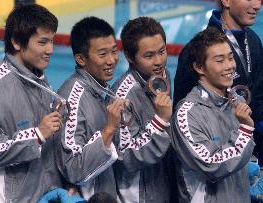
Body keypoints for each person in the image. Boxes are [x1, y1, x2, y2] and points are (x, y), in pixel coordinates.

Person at [0, 4, 64, 203]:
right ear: (17, 42)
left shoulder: (40, 81)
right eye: (43, 42)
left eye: (52, 41)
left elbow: (46, 154)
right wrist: (36, 135)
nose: (50, 50)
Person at [171, 27, 255, 203]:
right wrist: (245, 131)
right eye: (220, 60)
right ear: (199, 67)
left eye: (230, 57)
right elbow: (212, 165)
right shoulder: (187, 113)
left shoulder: (236, 100)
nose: (230, 66)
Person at [173, 0, 263, 163]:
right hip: (217, 159)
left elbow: (259, 96)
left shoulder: (253, 40)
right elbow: (183, 115)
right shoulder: (198, 50)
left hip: (252, 153)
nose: (257, 5)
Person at [54, 16, 126, 200]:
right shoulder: (72, 99)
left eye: (114, 51)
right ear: (81, 59)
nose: (111, 60)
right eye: (102, 54)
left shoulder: (103, 89)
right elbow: (72, 168)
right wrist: (109, 130)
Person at [111, 16, 174, 202]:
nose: (158, 61)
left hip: (161, 183)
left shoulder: (162, 75)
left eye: (162, 51)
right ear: (130, 57)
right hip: (137, 195)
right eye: (149, 55)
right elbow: (126, 157)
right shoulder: (122, 98)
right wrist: (159, 122)